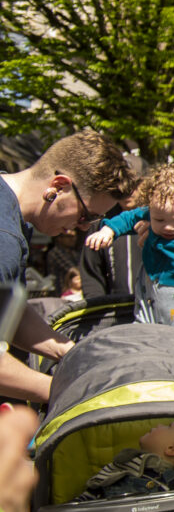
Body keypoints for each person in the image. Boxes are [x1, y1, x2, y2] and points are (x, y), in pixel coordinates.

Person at [0, 131, 135, 401]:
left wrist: (70, 351)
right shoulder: (5, 238)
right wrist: (73, 393)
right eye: (86, 215)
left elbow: (7, 310)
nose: (84, 227)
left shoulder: (15, 219)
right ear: (58, 186)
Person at [85, 162, 174, 347]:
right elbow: (127, 218)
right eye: (159, 219)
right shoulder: (149, 213)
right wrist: (107, 231)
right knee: (144, 330)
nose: (168, 226)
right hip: (151, 289)